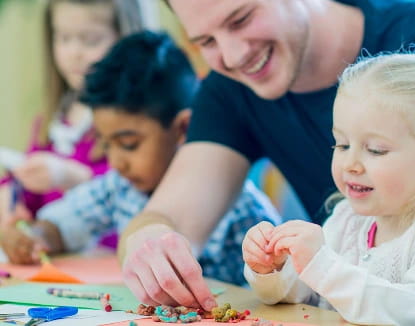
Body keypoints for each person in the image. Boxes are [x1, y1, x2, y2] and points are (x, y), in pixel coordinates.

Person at [121, 0, 415, 310]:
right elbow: (170, 215)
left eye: (241, 19)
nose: (231, 54)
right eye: (205, 42)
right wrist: (151, 247)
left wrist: (330, 271)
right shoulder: (231, 84)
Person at [243, 53, 415, 325]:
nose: (350, 164)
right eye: (341, 145)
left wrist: (322, 265)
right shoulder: (347, 218)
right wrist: (274, 270)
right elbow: (312, 296)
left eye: (375, 150)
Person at [0, 31, 281, 288]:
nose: (116, 161)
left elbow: (279, 290)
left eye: (128, 144)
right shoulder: (119, 187)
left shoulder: (243, 210)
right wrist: (34, 237)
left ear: (183, 129)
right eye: (105, 144)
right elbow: (63, 224)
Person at [0, 0, 156, 226]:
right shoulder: (51, 120)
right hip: (58, 253)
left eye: (91, 41)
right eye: (63, 38)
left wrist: (74, 178)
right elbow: (30, 192)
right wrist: (10, 196)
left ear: (125, 41)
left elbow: (140, 196)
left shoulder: (138, 119)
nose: (74, 53)